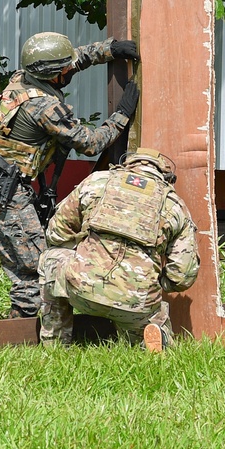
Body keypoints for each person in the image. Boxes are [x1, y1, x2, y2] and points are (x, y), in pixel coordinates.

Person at [0, 32, 141, 324]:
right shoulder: (44, 107)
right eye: (63, 70)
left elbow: (72, 60)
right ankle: (22, 331)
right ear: (53, 75)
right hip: (7, 196)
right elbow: (91, 143)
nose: (69, 71)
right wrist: (122, 114)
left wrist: (109, 49)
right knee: (34, 267)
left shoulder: (21, 79)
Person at [38, 148, 200, 351]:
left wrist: (82, 249)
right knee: (148, 313)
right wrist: (157, 281)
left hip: (82, 290)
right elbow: (183, 276)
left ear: (127, 165)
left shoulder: (97, 182)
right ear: (165, 175)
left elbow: (56, 233)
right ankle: (154, 335)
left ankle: (55, 343)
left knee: (50, 258)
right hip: (137, 302)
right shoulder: (175, 205)